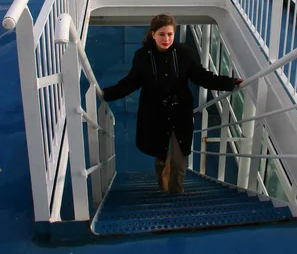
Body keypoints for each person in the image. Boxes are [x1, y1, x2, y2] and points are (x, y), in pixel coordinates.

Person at [102, 13, 243, 194]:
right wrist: (108, 93)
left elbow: (202, 76)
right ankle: (163, 189)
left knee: (179, 157)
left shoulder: (185, 53)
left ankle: (176, 192)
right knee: (161, 157)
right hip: (155, 113)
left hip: (180, 113)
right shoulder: (143, 56)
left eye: (170, 34)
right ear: (153, 34)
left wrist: (229, 83)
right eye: (161, 34)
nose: (166, 39)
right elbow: (131, 82)